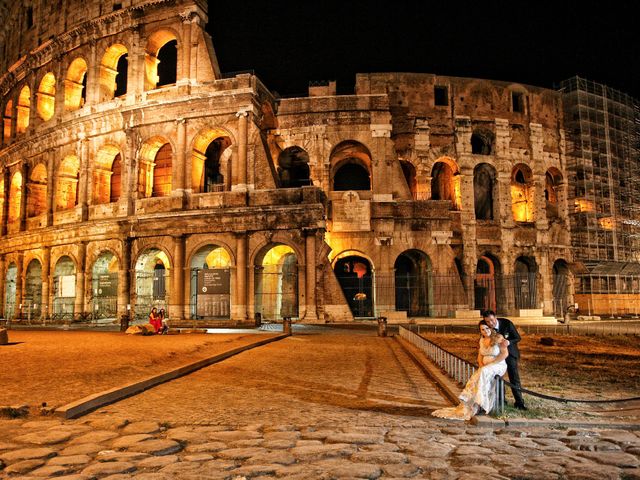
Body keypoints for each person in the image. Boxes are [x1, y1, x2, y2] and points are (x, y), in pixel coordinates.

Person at [432, 320, 509, 420]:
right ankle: (473, 403)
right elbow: (480, 356)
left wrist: (490, 364)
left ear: (490, 328)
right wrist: (481, 365)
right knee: (477, 375)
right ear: (480, 331)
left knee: (483, 372)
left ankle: (482, 402)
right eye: (482, 329)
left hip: (498, 364)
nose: (485, 331)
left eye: (487, 328)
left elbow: (504, 354)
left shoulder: (498, 338)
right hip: (485, 367)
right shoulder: (481, 340)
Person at [482, 310, 527, 410]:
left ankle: (519, 402)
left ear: (495, 317)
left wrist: (508, 342)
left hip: (510, 354)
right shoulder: (485, 326)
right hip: (496, 356)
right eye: (487, 322)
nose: (490, 323)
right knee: (498, 377)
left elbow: (517, 337)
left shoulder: (507, 323)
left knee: (514, 377)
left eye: (492, 320)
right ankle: (501, 400)